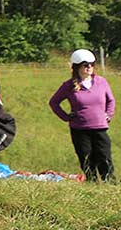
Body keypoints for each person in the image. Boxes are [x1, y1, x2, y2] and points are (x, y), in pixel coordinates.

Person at [49, 49, 115, 182]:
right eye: (86, 65)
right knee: (86, 159)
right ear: (77, 67)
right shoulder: (68, 86)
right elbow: (54, 102)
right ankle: (92, 184)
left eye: (91, 64)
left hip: (100, 128)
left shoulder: (101, 81)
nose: (89, 67)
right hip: (80, 130)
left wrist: (108, 114)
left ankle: (110, 185)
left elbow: (111, 100)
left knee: (104, 158)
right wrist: (66, 117)